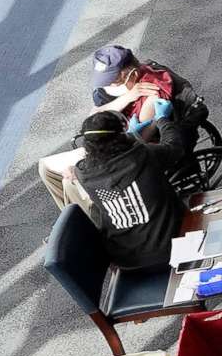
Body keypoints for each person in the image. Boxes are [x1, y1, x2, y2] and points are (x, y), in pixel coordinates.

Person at [72, 111, 184, 265]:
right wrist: (162, 120)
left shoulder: (83, 173)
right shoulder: (143, 155)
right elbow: (174, 148)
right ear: (120, 136)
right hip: (171, 249)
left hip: (126, 261)